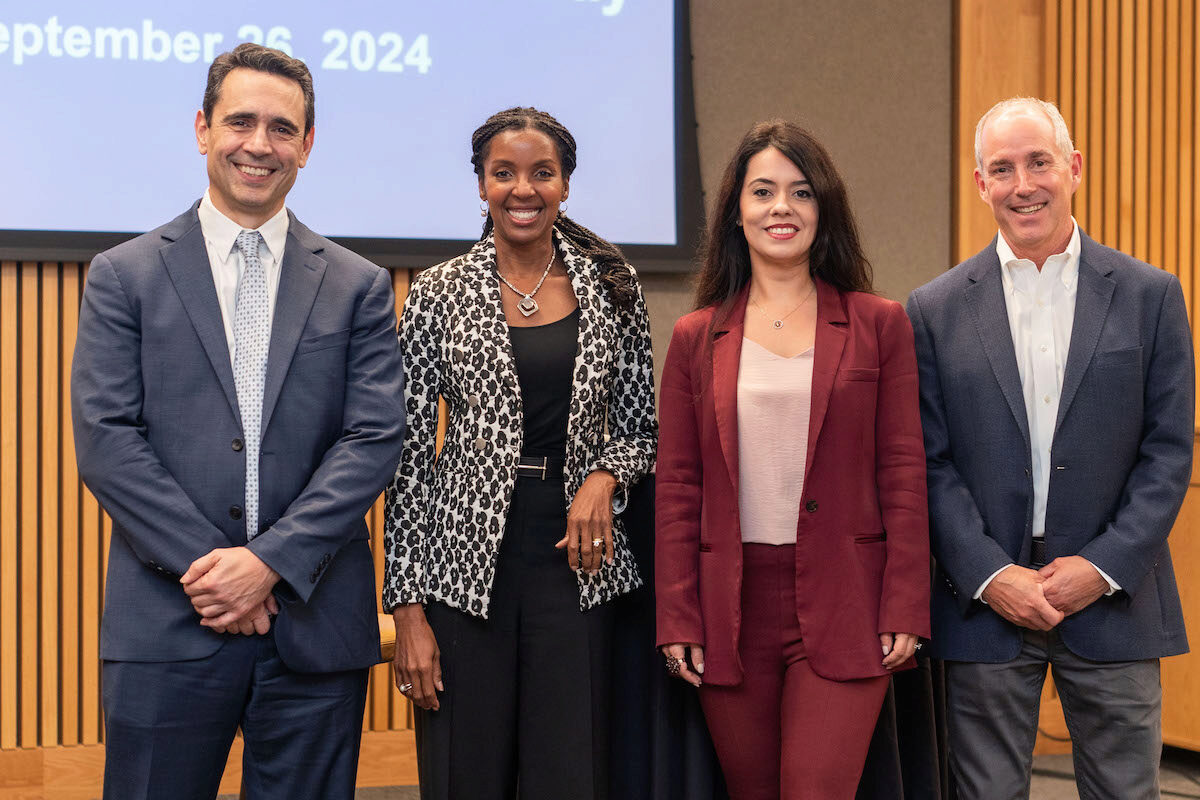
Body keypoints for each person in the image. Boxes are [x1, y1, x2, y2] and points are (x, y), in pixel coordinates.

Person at [70, 43, 405, 800]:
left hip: (315, 630)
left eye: (283, 128)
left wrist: (268, 565)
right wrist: (216, 573)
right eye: (241, 121)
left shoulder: (356, 286)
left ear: (308, 145)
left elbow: (373, 437)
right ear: (202, 128)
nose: (260, 144)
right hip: (168, 623)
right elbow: (107, 441)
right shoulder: (124, 275)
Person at [906, 97, 1194, 799]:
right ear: (981, 185)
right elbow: (929, 463)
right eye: (1001, 169)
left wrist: (1101, 565)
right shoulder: (933, 310)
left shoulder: (1152, 296)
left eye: (1039, 162)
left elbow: (1168, 453)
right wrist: (988, 572)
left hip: (1115, 600)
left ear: (1074, 168)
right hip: (984, 604)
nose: (1023, 184)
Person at [382, 107, 657, 800]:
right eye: (503, 173)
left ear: (565, 184)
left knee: (569, 770)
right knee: (465, 773)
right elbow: (409, 457)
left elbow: (643, 430)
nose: (522, 189)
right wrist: (406, 611)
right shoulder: (438, 293)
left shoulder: (614, 287)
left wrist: (605, 476)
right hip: (462, 567)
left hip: (578, 562)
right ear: (481, 185)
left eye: (542, 173)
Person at [655, 119, 930, 800]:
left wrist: (905, 604)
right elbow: (678, 489)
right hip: (732, 610)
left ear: (823, 209)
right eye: (763, 191)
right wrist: (679, 617)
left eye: (801, 192)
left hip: (846, 601)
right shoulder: (697, 337)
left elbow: (902, 471)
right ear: (737, 213)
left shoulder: (878, 324)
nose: (782, 207)